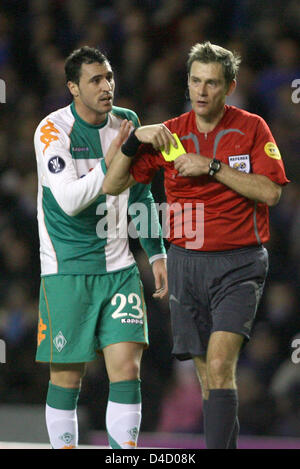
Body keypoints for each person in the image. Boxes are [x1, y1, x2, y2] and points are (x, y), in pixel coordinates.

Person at [102, 41, 290, 449]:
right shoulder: (171, 134)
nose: (202, 91)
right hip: (186, 263)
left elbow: (271, 193)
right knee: (209, 380)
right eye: (195, 81)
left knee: (222, 365)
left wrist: (213, 167)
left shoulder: (252, 128)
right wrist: (135, 140)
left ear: (230, 87)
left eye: (212, 83)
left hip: (240, 264)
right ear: (187, 83)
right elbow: (112, 185)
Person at [34, 46, 170, 449]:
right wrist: (119, 156)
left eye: (109, 77)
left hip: (119, 268)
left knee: (127, 369)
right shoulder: (51, 131)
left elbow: (141, 194)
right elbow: (71, 201)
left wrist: (156, 250)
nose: (106, 86)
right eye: (95, 79)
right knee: (67, 378)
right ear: (73, 87)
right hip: (66, 270)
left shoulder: (127, 122)